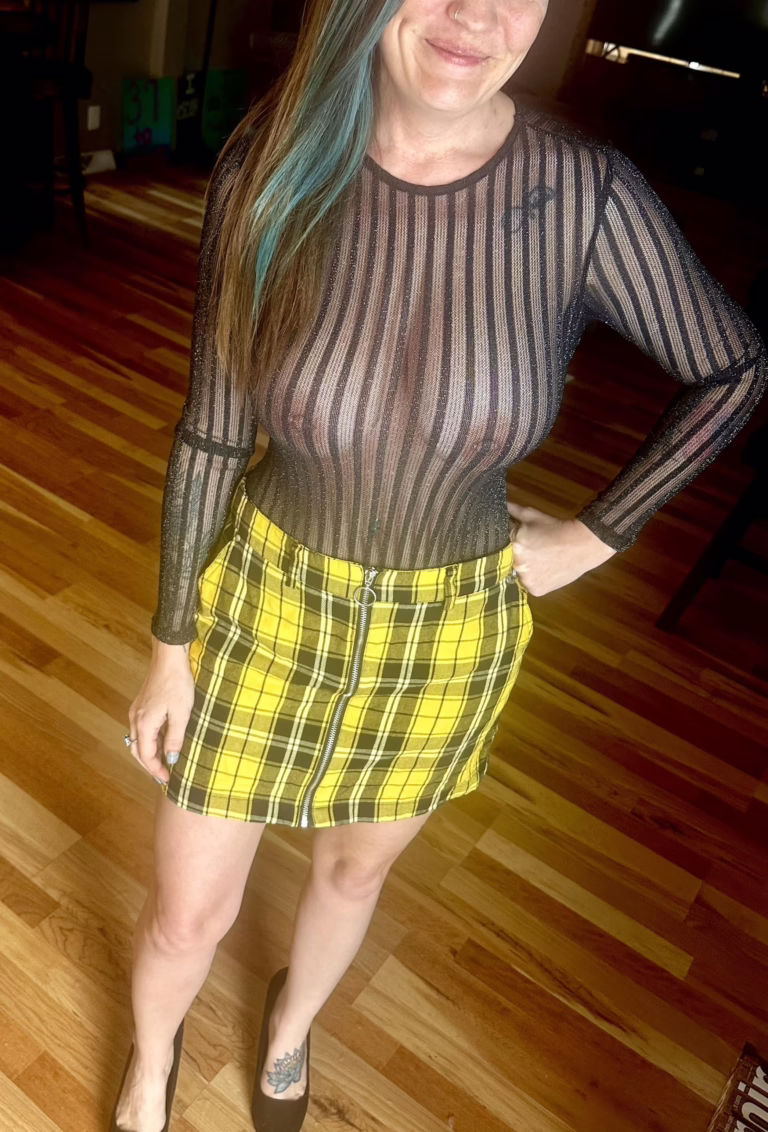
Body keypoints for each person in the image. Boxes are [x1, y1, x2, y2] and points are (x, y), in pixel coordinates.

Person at [114, 0, 768, 1129]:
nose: (477, 14)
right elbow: (213, 432)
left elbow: (736, 369)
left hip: (450, 630)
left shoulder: (582, 195)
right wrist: (169, 647)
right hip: (265, 603)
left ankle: (289, 1032)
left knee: (354, 871)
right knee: (186, 915)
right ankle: (148, 1068)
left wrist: (596, 534)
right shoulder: (270, 171)